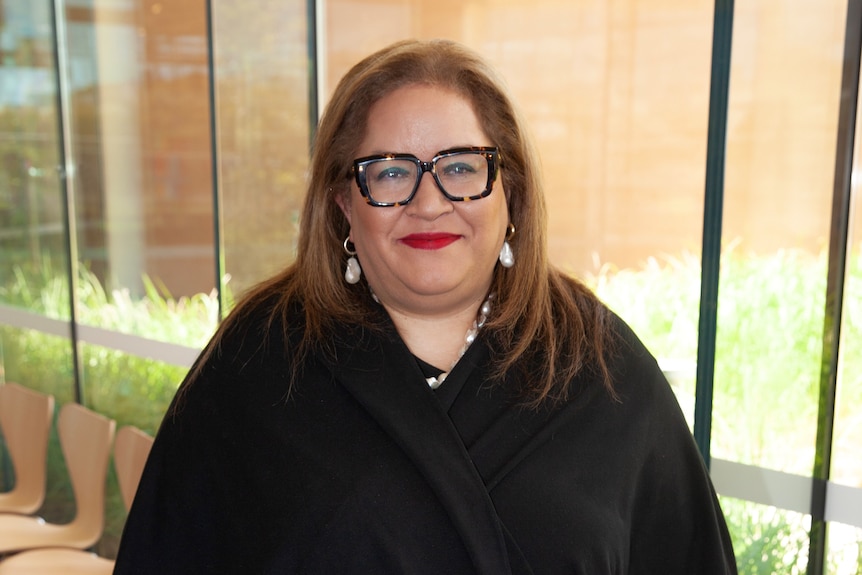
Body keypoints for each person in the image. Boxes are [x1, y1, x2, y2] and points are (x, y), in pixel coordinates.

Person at [113, 39, 737, 574]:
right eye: (388, 173)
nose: (429, 202)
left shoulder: (601, 366)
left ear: (510, 194)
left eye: (461, 167)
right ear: (342, 204)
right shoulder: (258, 363)